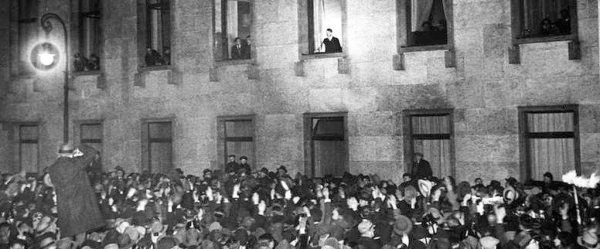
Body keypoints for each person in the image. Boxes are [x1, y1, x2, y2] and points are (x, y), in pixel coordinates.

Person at [47, 143, 104, 240]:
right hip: (79, 205)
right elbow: (92, 152)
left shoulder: (52, 168)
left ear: (60, 153)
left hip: (64, 206)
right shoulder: (76, 163)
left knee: (67, 235)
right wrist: (79, 147)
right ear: (71, 153)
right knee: (80, 234)